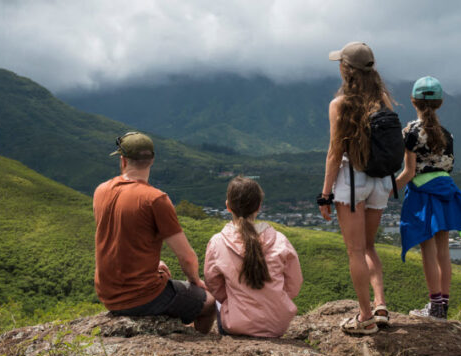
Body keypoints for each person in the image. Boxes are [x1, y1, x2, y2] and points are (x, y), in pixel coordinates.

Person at [93, 131, 216, 333]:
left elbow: (119, 240)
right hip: (141, 297)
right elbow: (187, 258)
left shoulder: (100, 191)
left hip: (107, 293)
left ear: (123, 161)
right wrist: (196, 283)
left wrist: (154, 266)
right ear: (151, 161)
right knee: (209, 303)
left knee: (162, 269)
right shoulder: (156, 199)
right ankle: (198, 342)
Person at [318, 41, 396, 335]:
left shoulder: (340, 105)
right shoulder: (384, 100)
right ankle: (380, 305)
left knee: (355, 250)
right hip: (381, 181)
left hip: (352, 181)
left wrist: (325, 194)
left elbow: (334, 154)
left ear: (346, 69)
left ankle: (364, 318)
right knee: (370, 247)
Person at [395, 76, 461, 321]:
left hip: (423, 195)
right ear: (440, 103)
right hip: (447, 192)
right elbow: (447, 168)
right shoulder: (447, 134)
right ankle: (442, 306)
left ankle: (433, 307)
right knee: (443, 251)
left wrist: (386, 190)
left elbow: (409, 172)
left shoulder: (411, 132)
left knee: (427, 250)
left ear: (413, 101)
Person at [204, 176, 303, 337]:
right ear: (259, 207)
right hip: (277, 325)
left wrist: (232, 301)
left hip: (235, 325)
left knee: (211, 297)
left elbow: (214, 285)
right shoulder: (280, 240)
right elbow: (294, 284)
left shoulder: (217, 242)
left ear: (228, 206)